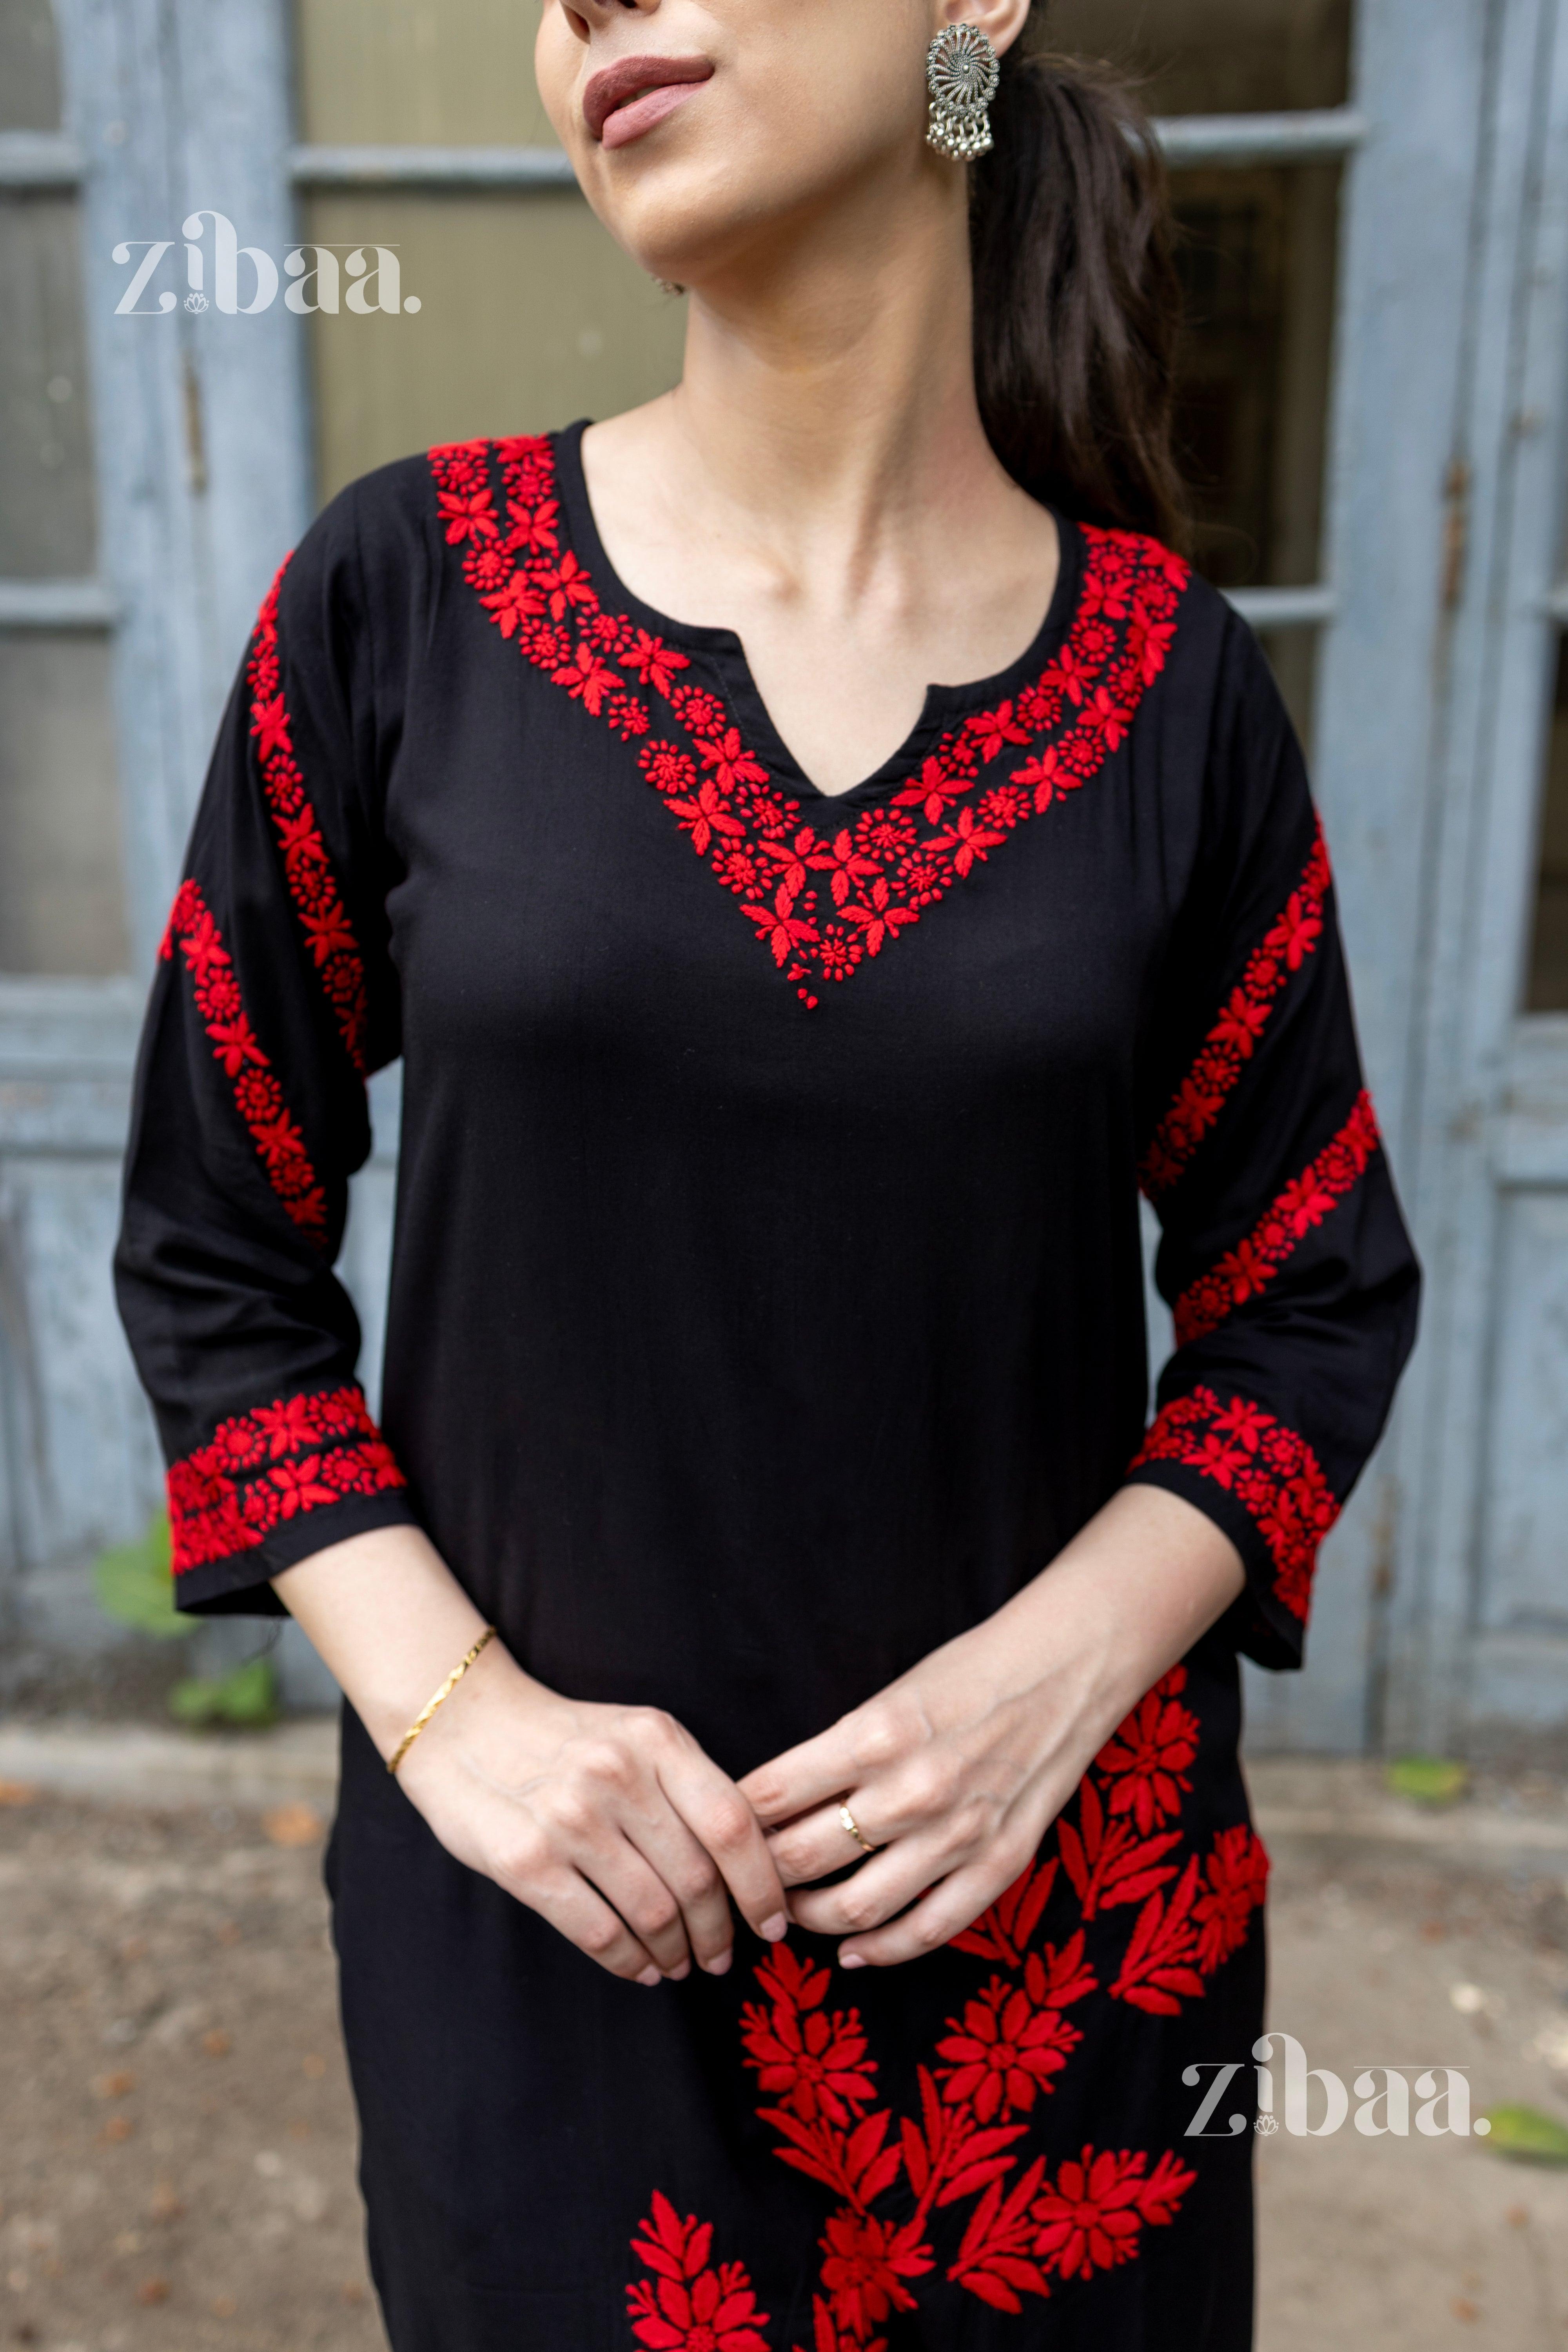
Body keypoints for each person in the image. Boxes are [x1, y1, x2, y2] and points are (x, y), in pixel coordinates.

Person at [114, 2, 1420, 2346]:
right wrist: (464, 1730)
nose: (589, 1)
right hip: (540, 1961)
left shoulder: (1171, 689)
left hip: (1060, 1992)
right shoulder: (407, 596)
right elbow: (213, 1251)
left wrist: (1053, 1687)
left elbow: (1309, 1297)